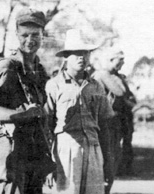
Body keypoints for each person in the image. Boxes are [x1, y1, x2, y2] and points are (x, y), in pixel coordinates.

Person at [0, 8, 54, 194]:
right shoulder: (7, 66)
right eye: (24, 35)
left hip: (34, 153)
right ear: (16, 35)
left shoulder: (39, 70)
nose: (30, 40)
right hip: (11, 151)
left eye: (35, 35)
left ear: (43, 35)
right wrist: (18, 115)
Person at [45, 29, 114, 194]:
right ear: (66, 57)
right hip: (66, 148)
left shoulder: (96, 86)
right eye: (76, 53)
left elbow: (104, 125)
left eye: (85, 52)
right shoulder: (54, 85)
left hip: (93, 147)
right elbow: (46, 126)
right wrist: (47, 163)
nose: (81, 57)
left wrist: (108, 159)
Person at [93, 48, 136, 177]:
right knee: (108, 152)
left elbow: (129, 96)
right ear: (110, 60)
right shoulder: (101, 75)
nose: (122, 63)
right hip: (106, 121)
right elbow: (119, 92)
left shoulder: (117, 76)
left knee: (117, 151)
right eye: (119, 60)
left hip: (120, 119)